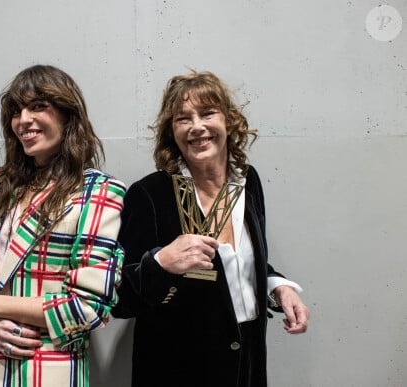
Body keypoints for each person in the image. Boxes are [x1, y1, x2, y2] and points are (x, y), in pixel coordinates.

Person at [111, 69, 310, 387]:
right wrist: (161, 263)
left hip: (246, 363)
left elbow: (243, 265)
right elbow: (118, 297)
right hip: (179, 370)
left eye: (207, 113)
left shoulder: (246, 182)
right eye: (183, 118)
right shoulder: (152, 193)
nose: (197, 126)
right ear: (171, 131)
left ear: (228, 121)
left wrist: (277, 287)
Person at [0, 64, 126, 387]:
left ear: (67, 114)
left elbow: (88, 306)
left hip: (46, 371)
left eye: (38, 106)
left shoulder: (98, 192)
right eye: (16, 110)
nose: (24, 119)